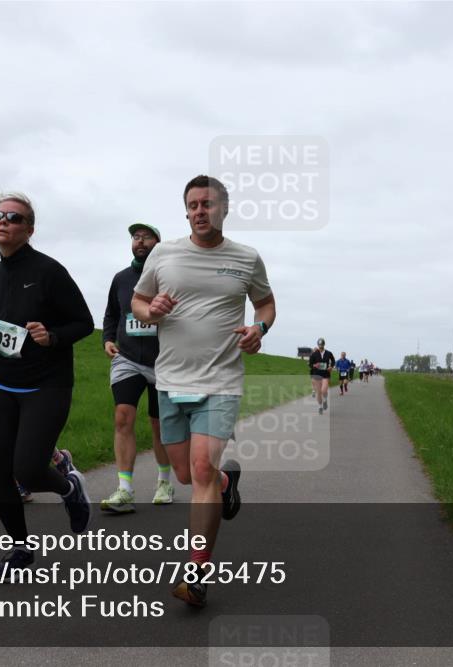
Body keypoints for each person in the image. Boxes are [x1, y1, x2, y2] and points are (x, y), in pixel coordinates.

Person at [132, 175, 275, 607]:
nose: (200, 211)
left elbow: (265, 304)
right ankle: (227, 481)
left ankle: (196, 574)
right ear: (186, 210)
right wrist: (150, 309)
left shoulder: (247, 258)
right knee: (184, 476)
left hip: (220, 381)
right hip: (170, 380)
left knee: (201, 472)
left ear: (224, 209)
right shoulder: (164, 253)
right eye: (193, 205)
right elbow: (138, 302)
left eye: (208, 204)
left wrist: (259, 328)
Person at [0, 192, 93, 578]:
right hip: (1, 386)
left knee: (29, 470)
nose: (3, 222)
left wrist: (51, 336)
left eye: (14, 218)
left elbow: (82, 323)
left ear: (29, 229)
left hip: (46, 386)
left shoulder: (50, 272)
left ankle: (68, 486)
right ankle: (20, 549)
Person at [100, 222, 174, 513]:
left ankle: (164, 481)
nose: (140, 241)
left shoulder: (169, 277)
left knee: (159, 425)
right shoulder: (121, 279)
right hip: (127, 358)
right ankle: (125, 489)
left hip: (164, 361)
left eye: (146, 236)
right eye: (135, 237)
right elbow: (111, 314)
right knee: (123, 418)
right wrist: (107, 339)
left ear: (159, 242)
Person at [309, 338, 335, 414]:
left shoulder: (328, 353)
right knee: (319, 392)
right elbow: (310, 364)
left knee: (324, 390)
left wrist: (331, 366)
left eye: (322, 344)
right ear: (318, 345)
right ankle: (320, 406)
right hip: (317, 375)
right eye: (319, 344)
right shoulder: (314, 354)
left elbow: (333, 361)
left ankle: (325, 400)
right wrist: (314, 365)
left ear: (324, 344)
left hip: (325, 375)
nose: (321, 346)